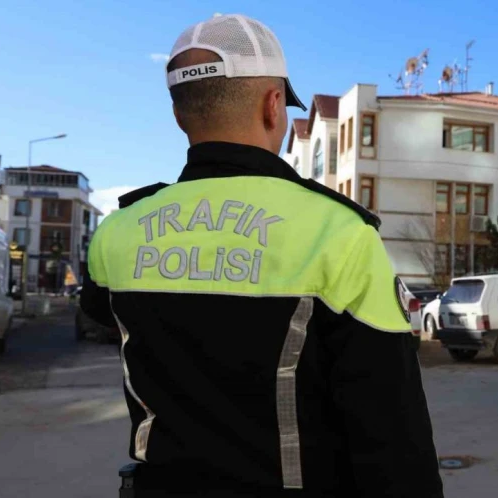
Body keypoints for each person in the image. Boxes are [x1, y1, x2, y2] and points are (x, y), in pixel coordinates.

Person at [80, 13, 443, 498]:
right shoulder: (338, 232)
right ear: (274, 106)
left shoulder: (117, 232)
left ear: (179, 114)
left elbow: (100, 313)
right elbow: (392, 432)